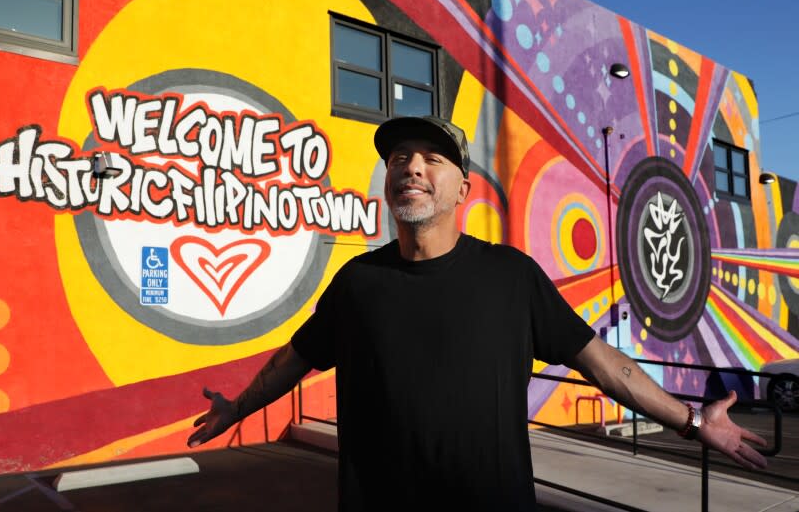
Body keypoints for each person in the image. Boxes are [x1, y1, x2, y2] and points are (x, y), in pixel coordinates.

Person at [188, 116, 768, 511]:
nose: (411, 167)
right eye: (399, 159)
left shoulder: (511, 277)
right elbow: (294, 360)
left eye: (431, 159)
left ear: (462, 189)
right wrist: (237, 408)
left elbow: (606, 367)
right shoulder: (356, 284)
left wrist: (692, 424)